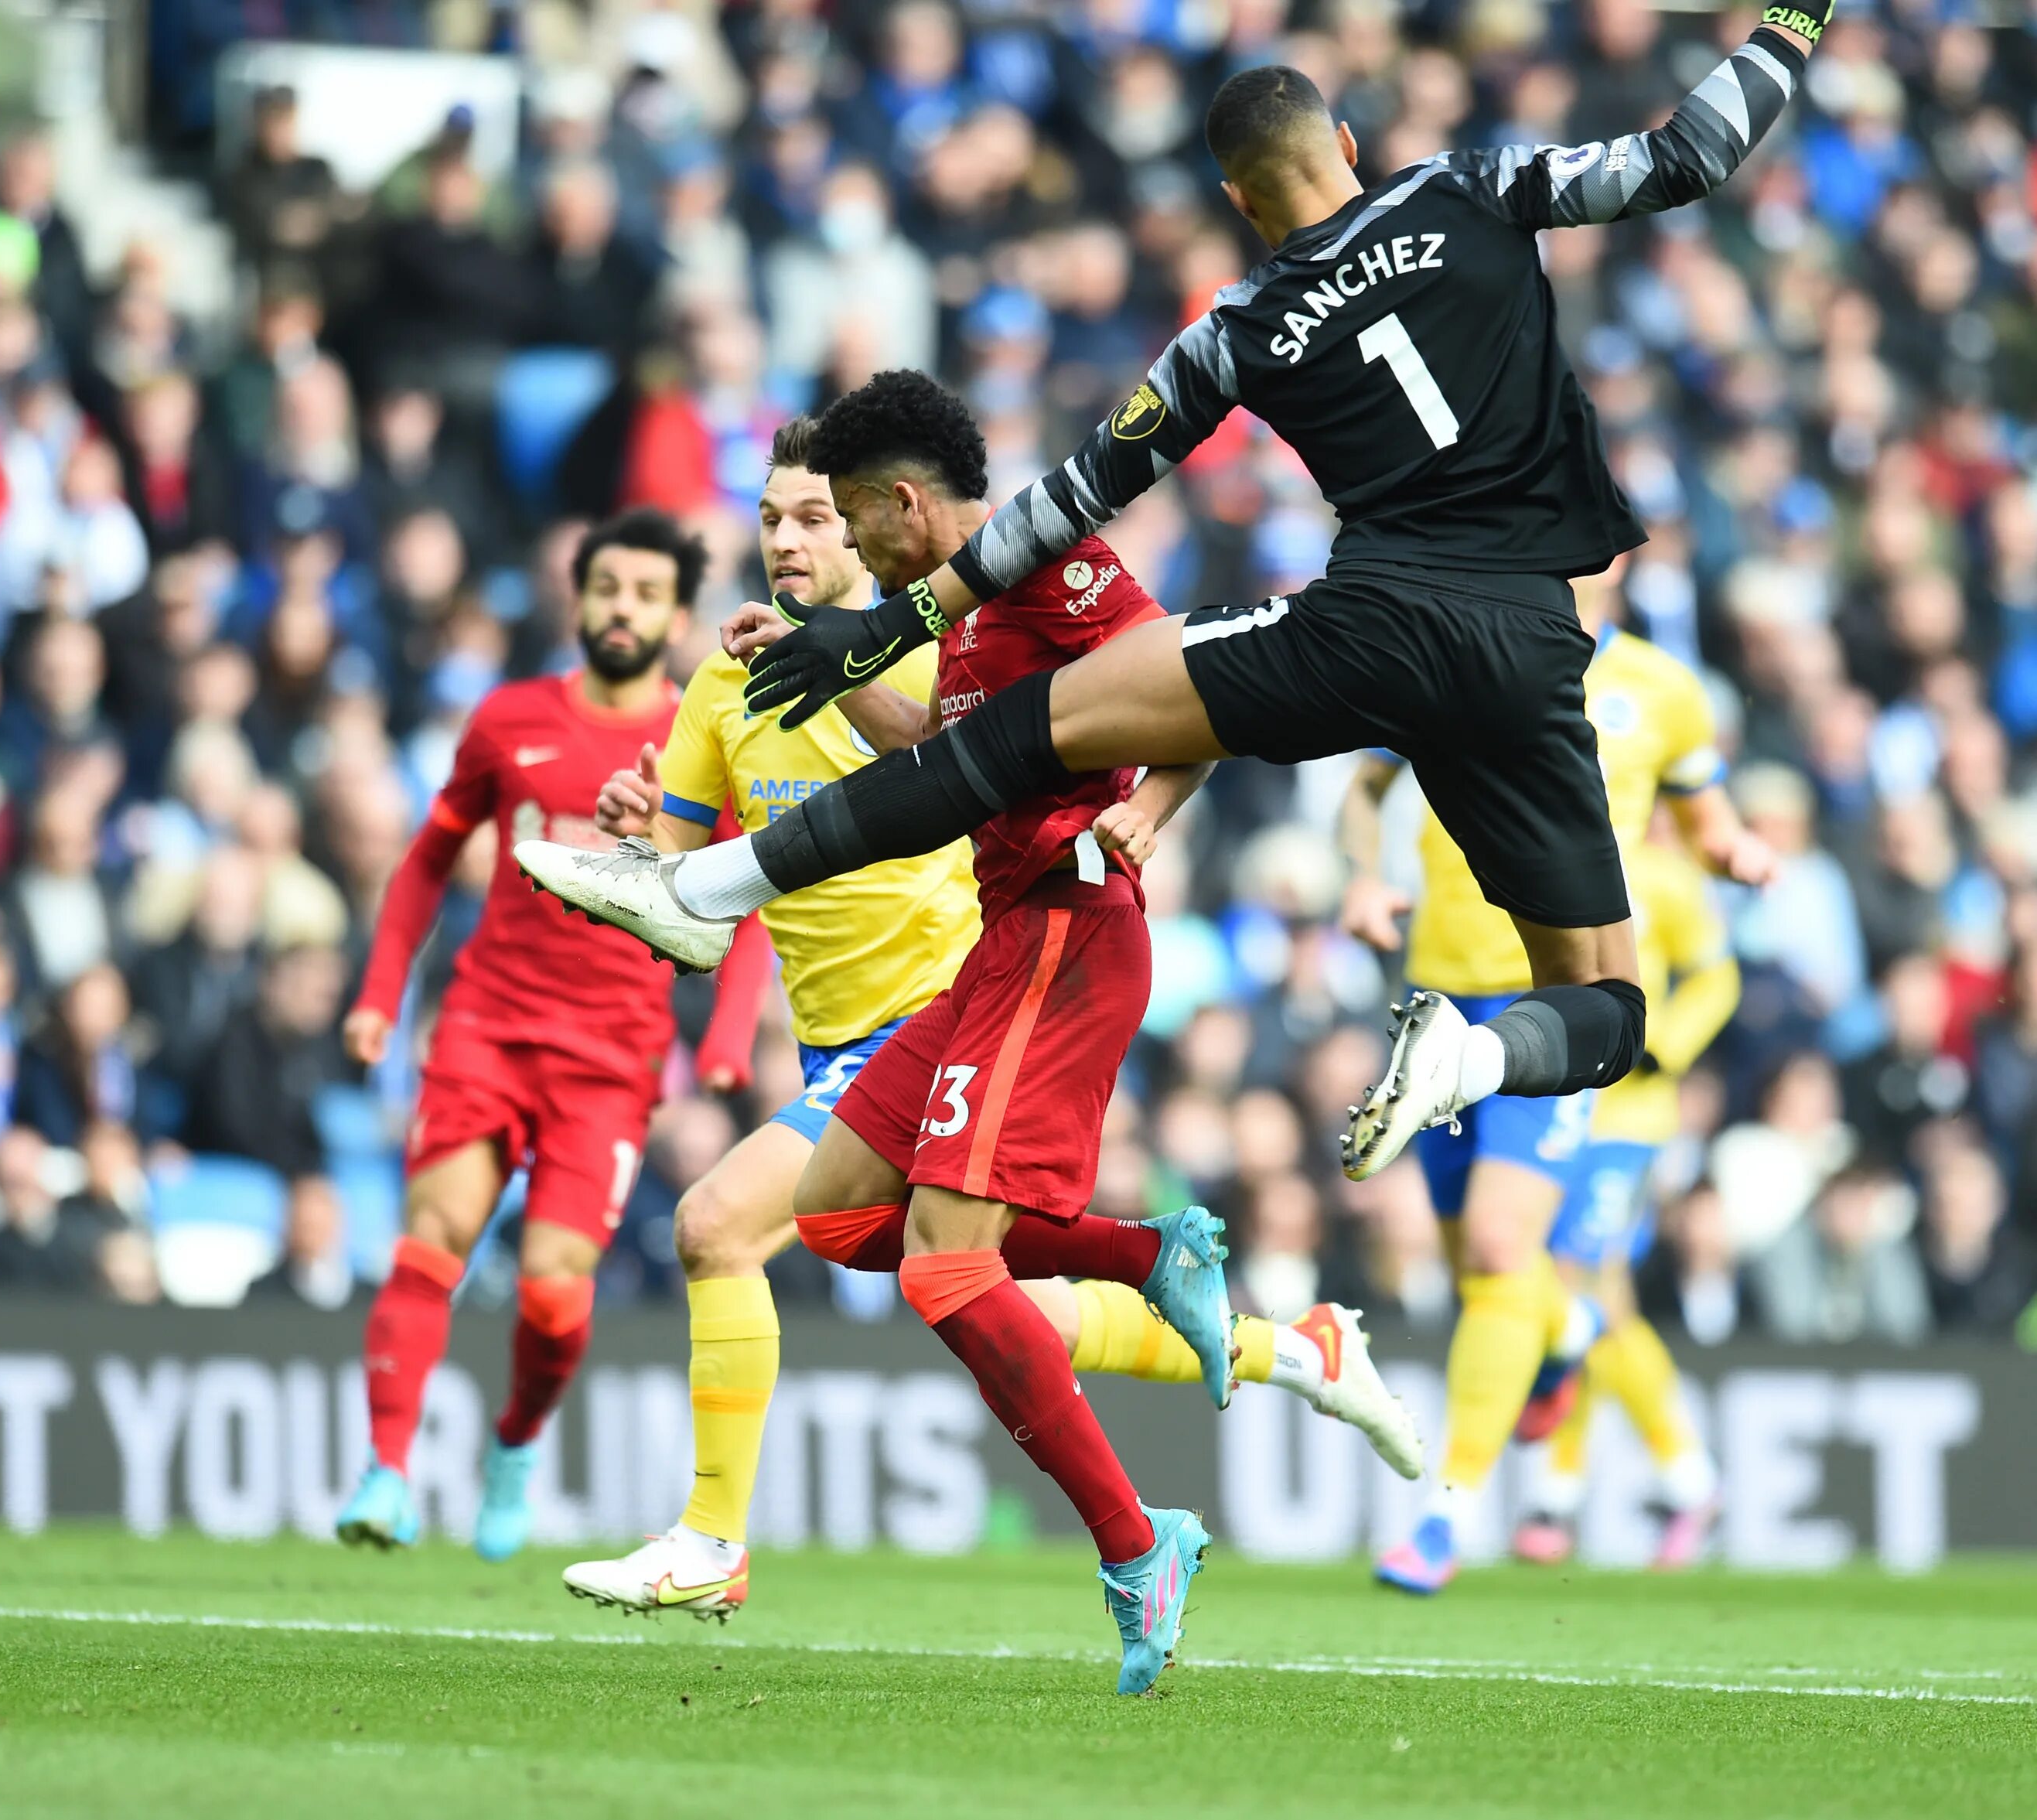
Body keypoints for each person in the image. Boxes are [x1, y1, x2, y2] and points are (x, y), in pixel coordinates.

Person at [516, 5, 1830, 1193]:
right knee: (1609, 1012)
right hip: (1533, 645)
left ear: (1239, 201)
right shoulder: (1477, 189)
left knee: (1021, 732)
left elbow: (1071, 498)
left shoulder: (1241, 325)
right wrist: (1791, 19)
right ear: (1351, 144)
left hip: (1368, 628)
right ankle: (1473, 1062)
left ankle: (710, 887)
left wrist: (898, 622)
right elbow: (1687, 155)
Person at [561, 375, 1414, 1695]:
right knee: (848, 1216)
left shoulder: (1046, 565)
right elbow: (945, 752)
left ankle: (1141, 1545)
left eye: (842, 515)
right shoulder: (950, 620)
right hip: (999, 939)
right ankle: (1153, 1254)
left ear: (900, 505)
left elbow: (1213, 682)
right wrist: (833, 673)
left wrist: (1153, 808)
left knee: (943, 1272)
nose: (835, 541)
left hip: (1066, 931)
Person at [1337, 559, 1769, 1593]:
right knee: (1483, 1268)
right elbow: (1365, 787)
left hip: (1561, 999)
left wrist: (1737, 854)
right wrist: (1364, 878)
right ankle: (1566, 1328)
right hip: (1437, 995)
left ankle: (1446, 1514)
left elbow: (1708, 831)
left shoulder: (1665, 691)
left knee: (1497, 1247)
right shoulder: (1453, 651)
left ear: (1615, 555)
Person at [333, 510, 725, 1563]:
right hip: (488, 1023)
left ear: (679, 615)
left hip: (611, 1052)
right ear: (579, 598)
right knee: (433, 1234)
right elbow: (426, 858)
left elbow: (754, 901)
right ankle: (385, 1472)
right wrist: (380, 993)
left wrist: (727, 1038)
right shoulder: (506, 718)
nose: (623, 608)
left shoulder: (704, 737)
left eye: (646, 592)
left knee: (555, 1286)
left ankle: (514, 1444)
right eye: (607, 588)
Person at [1511, 835, 1739, 1571]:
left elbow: (1717, 976)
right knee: (1585, 1304)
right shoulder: (1544, 849)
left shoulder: (1665, 874)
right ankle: (1581, 1491)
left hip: (1631, 1119)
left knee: (1586, 1289)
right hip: (1560, 1107)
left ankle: (1670, 1481)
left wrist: (1662, 1042)